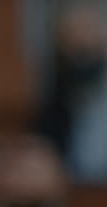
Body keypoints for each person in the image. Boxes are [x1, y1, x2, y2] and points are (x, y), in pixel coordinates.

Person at [37, 0, 107, 183]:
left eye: (87, 48)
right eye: (71, 47)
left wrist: (62, 175)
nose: (80, 59)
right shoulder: (56, 104)